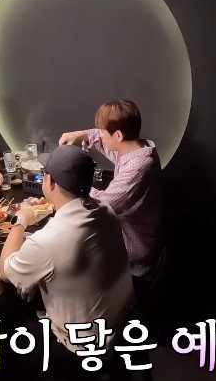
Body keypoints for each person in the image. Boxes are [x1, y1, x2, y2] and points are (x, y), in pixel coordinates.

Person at [0, 145, 135, 381]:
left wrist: (20, 221)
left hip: (82, 346)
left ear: (49, 182)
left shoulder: (46, 242)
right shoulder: (106, 210)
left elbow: (5, 272)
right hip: (121, 322)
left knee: (7, 338)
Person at [58, 99, 164, 295]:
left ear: (118, 135)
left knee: (70, 259)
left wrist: (68, 181)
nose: (99, 134)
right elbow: (102, 140)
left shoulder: (139, 166)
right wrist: (79, 135)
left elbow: (103, 204)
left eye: (103, 131)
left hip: (133, 259)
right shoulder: (137, 148)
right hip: (132, 239)